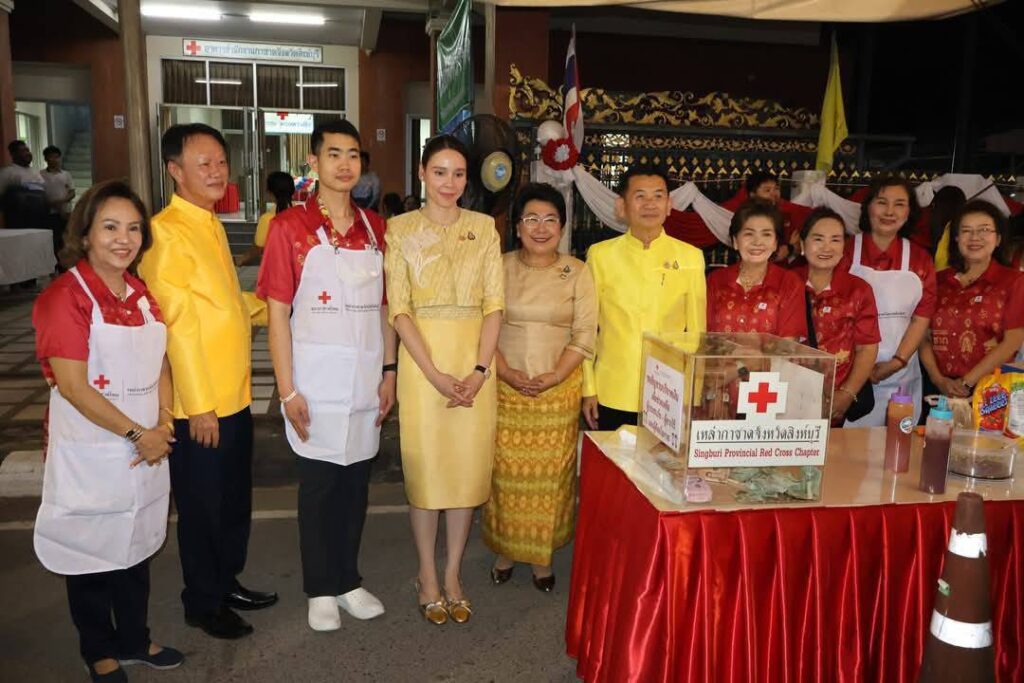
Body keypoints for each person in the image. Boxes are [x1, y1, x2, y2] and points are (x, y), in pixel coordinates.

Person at [32, 180, 183, 682]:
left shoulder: (140, 294)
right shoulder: (64, 298)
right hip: (93, 448)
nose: (124, 239)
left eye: (134, 228)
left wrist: (164, 422)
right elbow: (74, 386)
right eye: (110, 227)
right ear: (85, 234)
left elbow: (161, 363)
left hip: (144, 444)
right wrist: (140, 435)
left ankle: (135, 638)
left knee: (136, 542)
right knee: (91, 549)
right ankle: (98, 648)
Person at [138, 123, 275, 641]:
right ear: (175, 170)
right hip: (202, 405)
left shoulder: (209, 222)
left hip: (233, 393)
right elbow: (177, 325)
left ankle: (225, 581)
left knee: (234, 501)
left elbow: (223, 304)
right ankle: (202, 601)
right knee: (202, 508)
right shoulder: (166, 232)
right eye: (204, 163)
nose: (217, 171)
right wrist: (196, 405)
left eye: (221, 161)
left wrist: (274, 308)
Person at [257, 120, 396, 631]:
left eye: (353, 154)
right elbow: (277, 315)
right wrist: (287, 389)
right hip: (314, 384)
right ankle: (320, 587)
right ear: (313, 162)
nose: (345, 164)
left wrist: (389, 372)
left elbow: (386, 309)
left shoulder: (376, 228)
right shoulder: (289, 228)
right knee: (318, 489)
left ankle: (347, 580)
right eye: (334, 154)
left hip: (364, 383)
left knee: (355, 486)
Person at [384, 134, 503, 626]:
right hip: (422, 365)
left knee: (465, 472)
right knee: (428, 473)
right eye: (439, 172)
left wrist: (480, 370)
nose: (449, 183)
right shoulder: (399, 229)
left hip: (476, 363)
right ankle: (426, 574)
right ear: (421, 173)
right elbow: (399, 309)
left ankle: (453, 573)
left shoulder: (485, 227)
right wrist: (432, 374)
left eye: (458, 174)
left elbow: (495, 305)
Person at [482, 182, 596, 592]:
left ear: (562, 227)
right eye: (531, 218)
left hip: (557, 393)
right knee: (504, 475)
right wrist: (506, 372)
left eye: (550, 219)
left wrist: (557, 375)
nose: (541, 227)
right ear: (517, 227)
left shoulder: (578, 272)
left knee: (551, 480)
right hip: (505, 388)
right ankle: (505, 549)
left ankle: (542, 556)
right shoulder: (498, 267)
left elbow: (584, 334)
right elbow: (483, 327)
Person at [581, 165, 706, 432]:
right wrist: (588, 387)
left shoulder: (691, 257)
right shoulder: (600, 256)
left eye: (658, 196)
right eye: (640, 196)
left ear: (669, 205)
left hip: (668, 392)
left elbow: (696, 334)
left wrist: (693, 396)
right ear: (621, 206)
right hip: (612, 389)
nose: (650, 204)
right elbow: (587, 328)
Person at [839, 175, 936, 427]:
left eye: (899, 204)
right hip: (847, 374)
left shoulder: (921, 259)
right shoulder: (843, 251)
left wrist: (896, 362)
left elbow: (921, 319)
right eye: (882, 202)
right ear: (868, 207)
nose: (889, 212)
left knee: (896, 443)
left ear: (909, 212)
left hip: (900, 375)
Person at [920, 200, 1024, 401]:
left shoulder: (1014, 282)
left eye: (984, 230)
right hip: (936, 387)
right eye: (966, 231)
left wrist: (966, 382)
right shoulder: (937, 281)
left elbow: (1013, 341)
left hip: (991, 389)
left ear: (998, 238)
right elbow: (922, 335)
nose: (975, 237)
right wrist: (938, 379)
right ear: (956, 238)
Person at [796, 207, 880, 425]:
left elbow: (867, 348)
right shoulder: (787, 284)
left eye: (835, 240)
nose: (827, 247)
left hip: (834, 402)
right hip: (789, 399)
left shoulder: (858, 290)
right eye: (818, 239)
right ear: (802, 245)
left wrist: (847, 394)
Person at [706, 199, 807, 340]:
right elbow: (704, 336)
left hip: (774, 356)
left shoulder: (789, 283)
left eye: (766, 234)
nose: (757, 242)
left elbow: (788, 345)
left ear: (775, 243)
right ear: (735, 241)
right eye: (749, 234)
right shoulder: (716, 280)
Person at [235, 171, 294, 267]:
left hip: (276, 269)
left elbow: (258, 249)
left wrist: (241, 259)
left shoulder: (267, 219)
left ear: (270, 193)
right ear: (293, 191)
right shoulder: (302, 214)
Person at [0, 139, 48, 229]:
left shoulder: (36, 172)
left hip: (40, 221)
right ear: (13, 154)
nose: (28, 153)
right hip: (20, 223)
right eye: (23, 151)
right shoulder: (7, 172)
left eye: (27, 150)